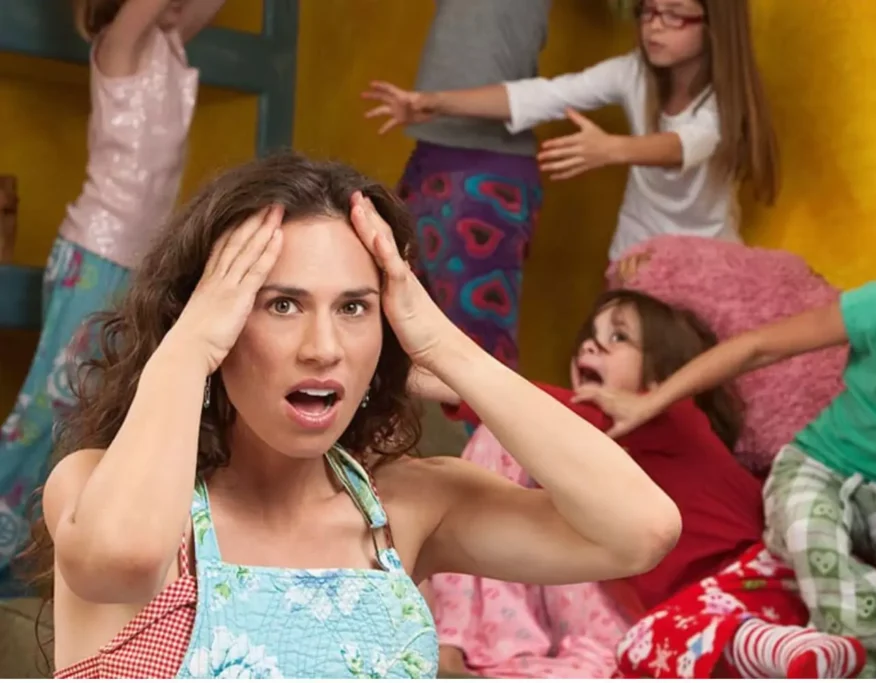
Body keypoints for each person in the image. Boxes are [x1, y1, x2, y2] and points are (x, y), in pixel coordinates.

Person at [27, 152, 680, 678]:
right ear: (215, 318)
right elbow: (124, 558)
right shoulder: (95, 487)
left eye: (354, 307)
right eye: (281, 304)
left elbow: (639, 529)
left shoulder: (409, 505)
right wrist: (187, 348)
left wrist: (446, 347)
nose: (323, 348)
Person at [575, 157, 876, 678]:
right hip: (819, 467)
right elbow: (757, 347)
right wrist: (651, 401)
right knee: (813, 534)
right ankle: (871, 670)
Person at [415, 290, 865, 678]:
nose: (592, 343)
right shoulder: (605, 467)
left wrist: (454, 384)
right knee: (640, 649)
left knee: (663, 638)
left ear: (660, 377)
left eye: (619, 337)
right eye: (589, 336)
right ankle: (787, 654)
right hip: (689, 620)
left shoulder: (674, 418)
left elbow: (547, 412)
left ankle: (788, 647)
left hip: (749, 583)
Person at [0, 0, 221, 595]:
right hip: (95, 256)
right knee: (46, 417)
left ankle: (29, 565)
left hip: (137, 262)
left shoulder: (167, 42)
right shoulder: (117, 42)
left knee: (91, 417)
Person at [363, 0, 779, 265]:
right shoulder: (632, 71)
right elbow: (542, 95)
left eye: (673, 15)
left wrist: (611, 149)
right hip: (634, 258)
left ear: (713, 24)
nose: (655, 26)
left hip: (707, 260)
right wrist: (433, 103)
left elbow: (685, 145)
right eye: (648, 12)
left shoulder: (724, 102)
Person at [374, 0, 550, 372]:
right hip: (430, 159)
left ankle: (492, 433)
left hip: (484, 174)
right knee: (398, 331)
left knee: (477, 348)